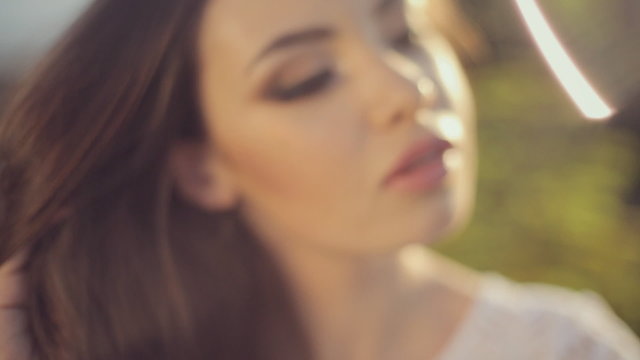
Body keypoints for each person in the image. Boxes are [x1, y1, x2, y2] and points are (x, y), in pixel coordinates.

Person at [0, 0, 638, 359]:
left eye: (402, 34)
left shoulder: (563, 350)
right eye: (306, 80)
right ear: (201, 169)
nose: (405, 90)